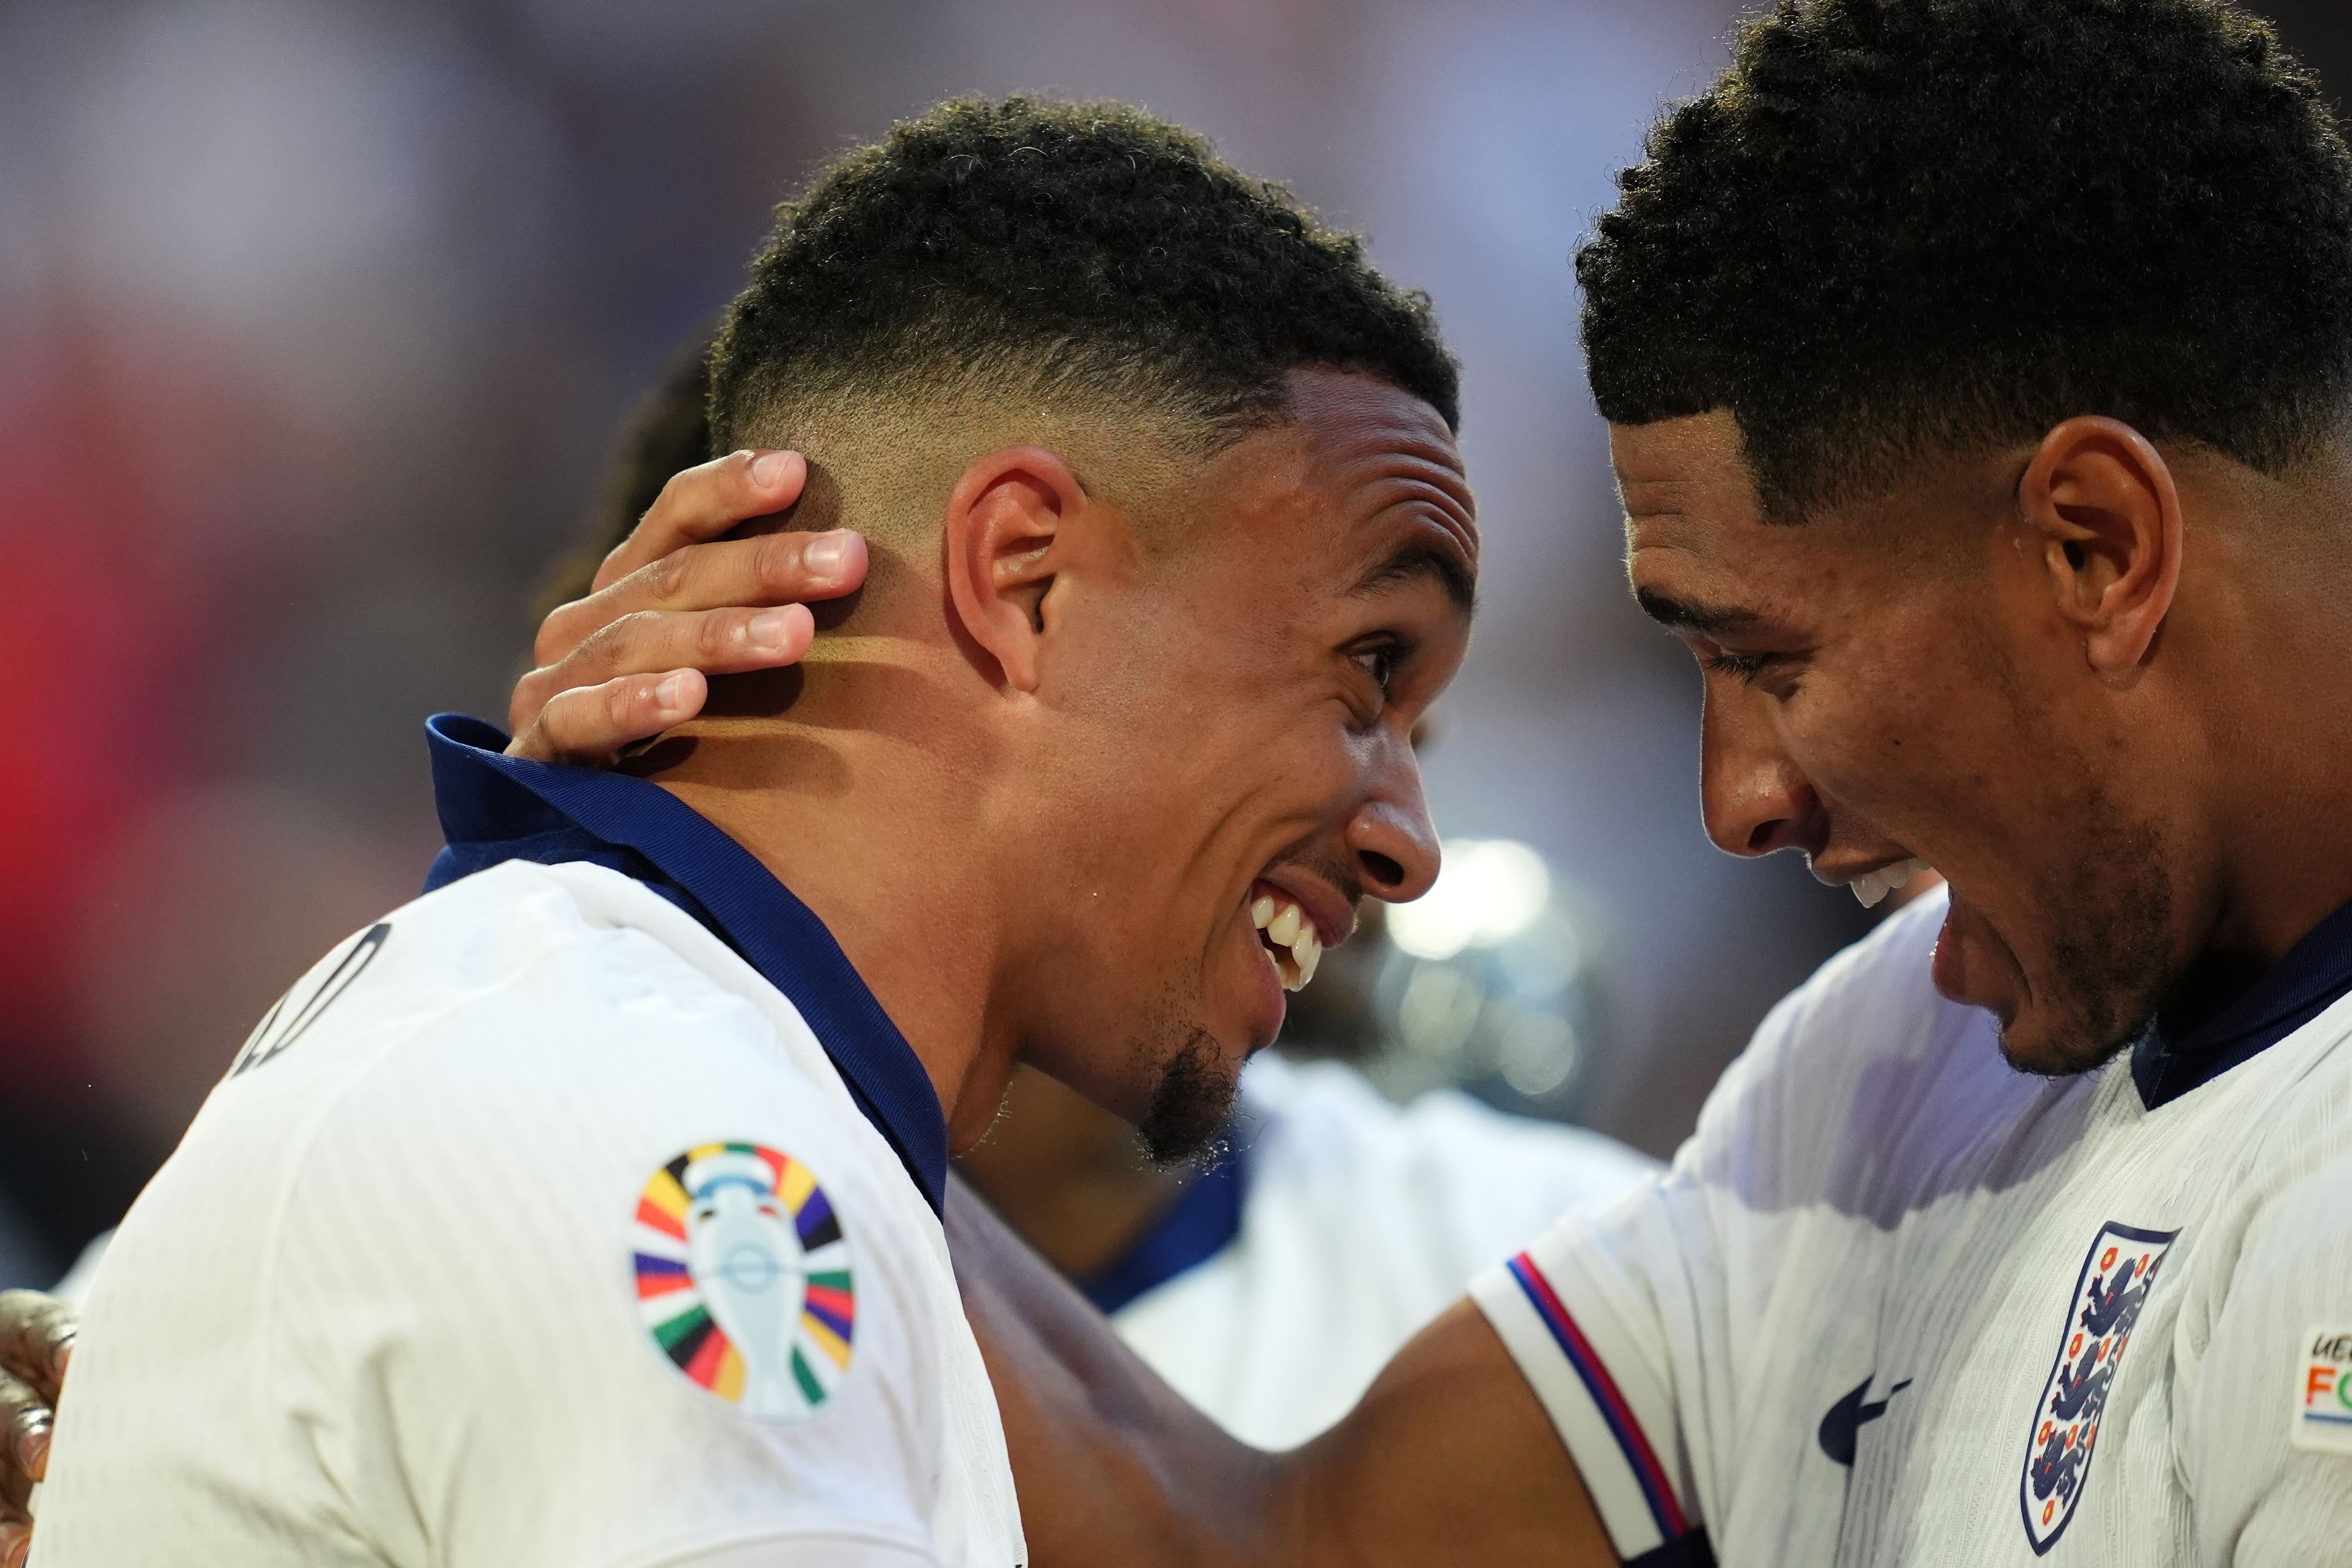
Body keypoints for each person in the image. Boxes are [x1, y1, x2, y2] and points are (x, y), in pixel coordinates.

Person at [13, 1, 2352, 1564]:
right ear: (1019, 582)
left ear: (2095, 545)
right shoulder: (1888, 1081)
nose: (1734, 795)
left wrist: (699, 917)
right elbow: (1278, 1540)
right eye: (1357, 670)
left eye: (1769, 653)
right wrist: (714, 886)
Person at [25, 94, 1477, 1568]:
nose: (1408, 839)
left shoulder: (661, 1064)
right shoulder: (665, 1139)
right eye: (1365, 669)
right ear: (1027, 580)